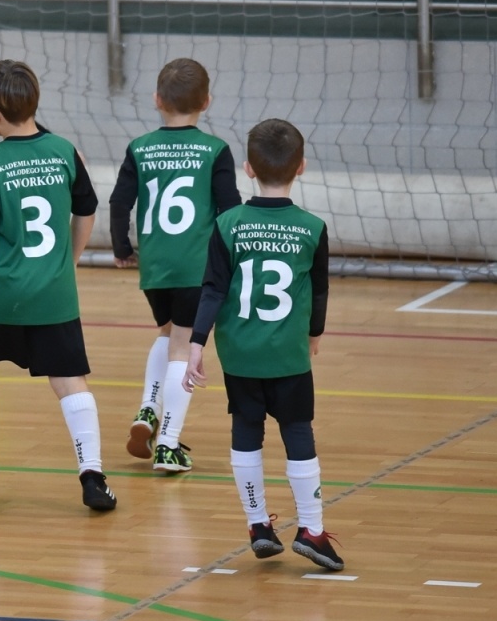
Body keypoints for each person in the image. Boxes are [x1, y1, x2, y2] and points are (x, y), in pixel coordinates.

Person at [0, 60, 114, 512]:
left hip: (0, 297)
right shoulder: (64, 150)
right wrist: (69, 262)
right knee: (70, 382)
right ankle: (93, 477)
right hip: (54, 297)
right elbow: (88, 210)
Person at [186, 119, 341, 570]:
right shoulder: (312, 228)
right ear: (302, 167)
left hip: (240, 354)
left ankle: (258, 525)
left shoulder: (228, 223)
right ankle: (311, 530)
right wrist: (313, 335)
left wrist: (197, 344)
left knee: (246, 431)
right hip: (287, 354)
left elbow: (213, 288)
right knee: (297, 431)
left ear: (248, 168)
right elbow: (321, 290)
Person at [110, 58, 240, 473]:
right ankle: (167, 443)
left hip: (156, 267)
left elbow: (118, 201)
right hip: (195, 267)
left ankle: (149, 409)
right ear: (207, 101)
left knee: (169, 335)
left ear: (156, 100)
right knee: (185, 347)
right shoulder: (215, 150)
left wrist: (121, 247)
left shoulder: (140, 147)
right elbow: (230, 208)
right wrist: (234, 260)